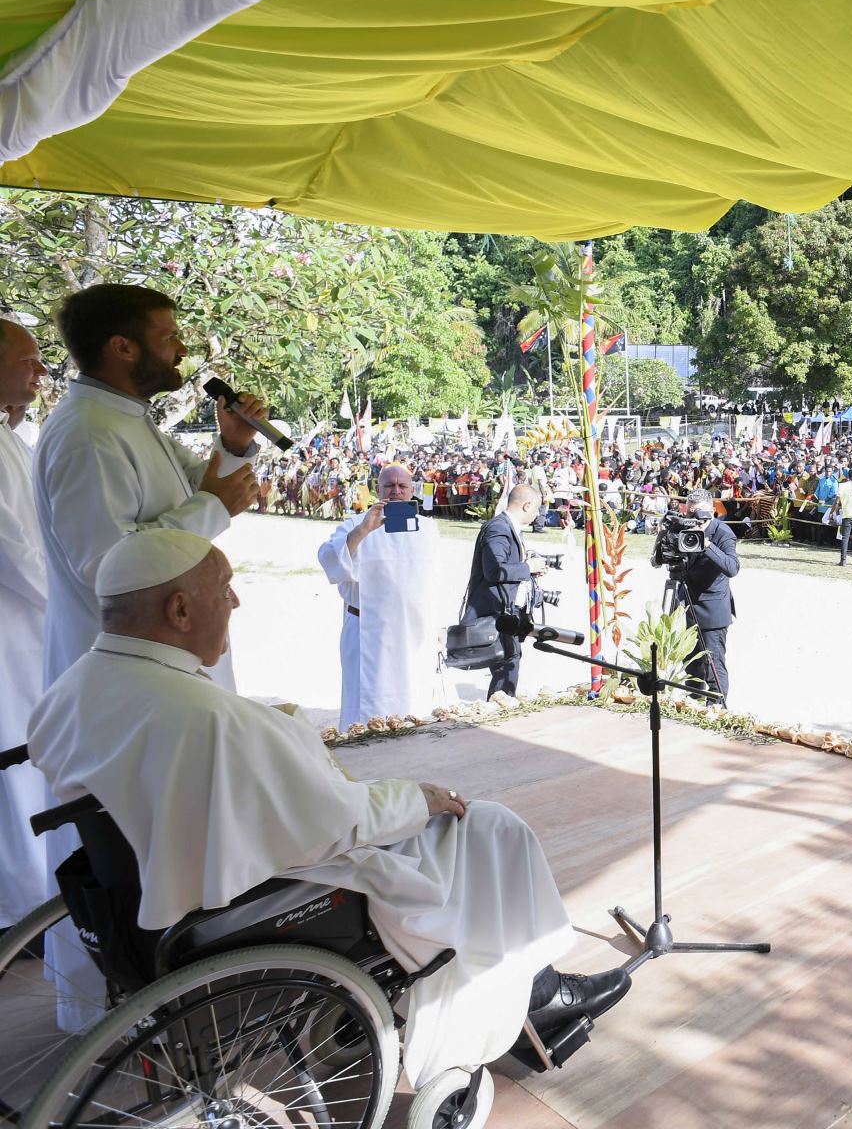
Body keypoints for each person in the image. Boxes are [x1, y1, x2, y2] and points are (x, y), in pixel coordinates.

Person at [27, 528, 629, 1088]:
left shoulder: (71, 690)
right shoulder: (212, 720)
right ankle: (537, 999)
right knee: (493, 827)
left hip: (133, 897)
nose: (235, 602)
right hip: (259, 897)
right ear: (179, 611)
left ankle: (532, 993)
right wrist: (420, 799)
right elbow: (332, 824)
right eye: (223, 587)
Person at [33, 283, 264, 686]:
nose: (182, 350)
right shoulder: (89, 433)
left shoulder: (124, 418)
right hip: (127, 676)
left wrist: (233, 442)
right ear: (123, 347)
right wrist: (212, 507)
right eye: (170, 337)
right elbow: (104, 560)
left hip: (160, 663)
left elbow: (201, 483)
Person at [318, 464, 444, 730]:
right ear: (378, 489)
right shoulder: (355, 524)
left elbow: (433, 581)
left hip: (413, 635)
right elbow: (329, 559)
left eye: (402, 486)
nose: (396, 492)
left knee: (414, 704)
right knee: (368, 711)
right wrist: (363, 531)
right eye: (389, 486)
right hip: (369, 634)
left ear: (412, 491)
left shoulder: (428, 529)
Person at [0, 317, 51, 928]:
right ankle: (26, 909)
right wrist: (76, 605)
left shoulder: (10, 435)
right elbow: (15, 550)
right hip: (13, 628)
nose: (40, 371)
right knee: (17, 758)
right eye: (27, 360)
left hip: (26, 625)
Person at [466, 484, 546, 697]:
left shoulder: (508, 527)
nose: (538, 514)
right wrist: (529, 567)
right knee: (507, 660)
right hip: (495, 609)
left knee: (509, 659)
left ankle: (501, 703)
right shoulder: (499, 528)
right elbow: (495, 570)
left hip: (505, 608)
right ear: (527, 505)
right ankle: (500, 706)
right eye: (536, 508)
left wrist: (527, 569)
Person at [666, 489, 738, 703]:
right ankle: (693, 703)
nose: (695, 519)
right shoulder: (684, 528)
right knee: (692, 663)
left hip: (712, 609)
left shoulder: (723, 533)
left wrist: (707, 545)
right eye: (690, 514)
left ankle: (717, 707)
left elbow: (732, 568)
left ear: (712, 512)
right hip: (686, 604)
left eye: (699, 514)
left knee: (713, 663)